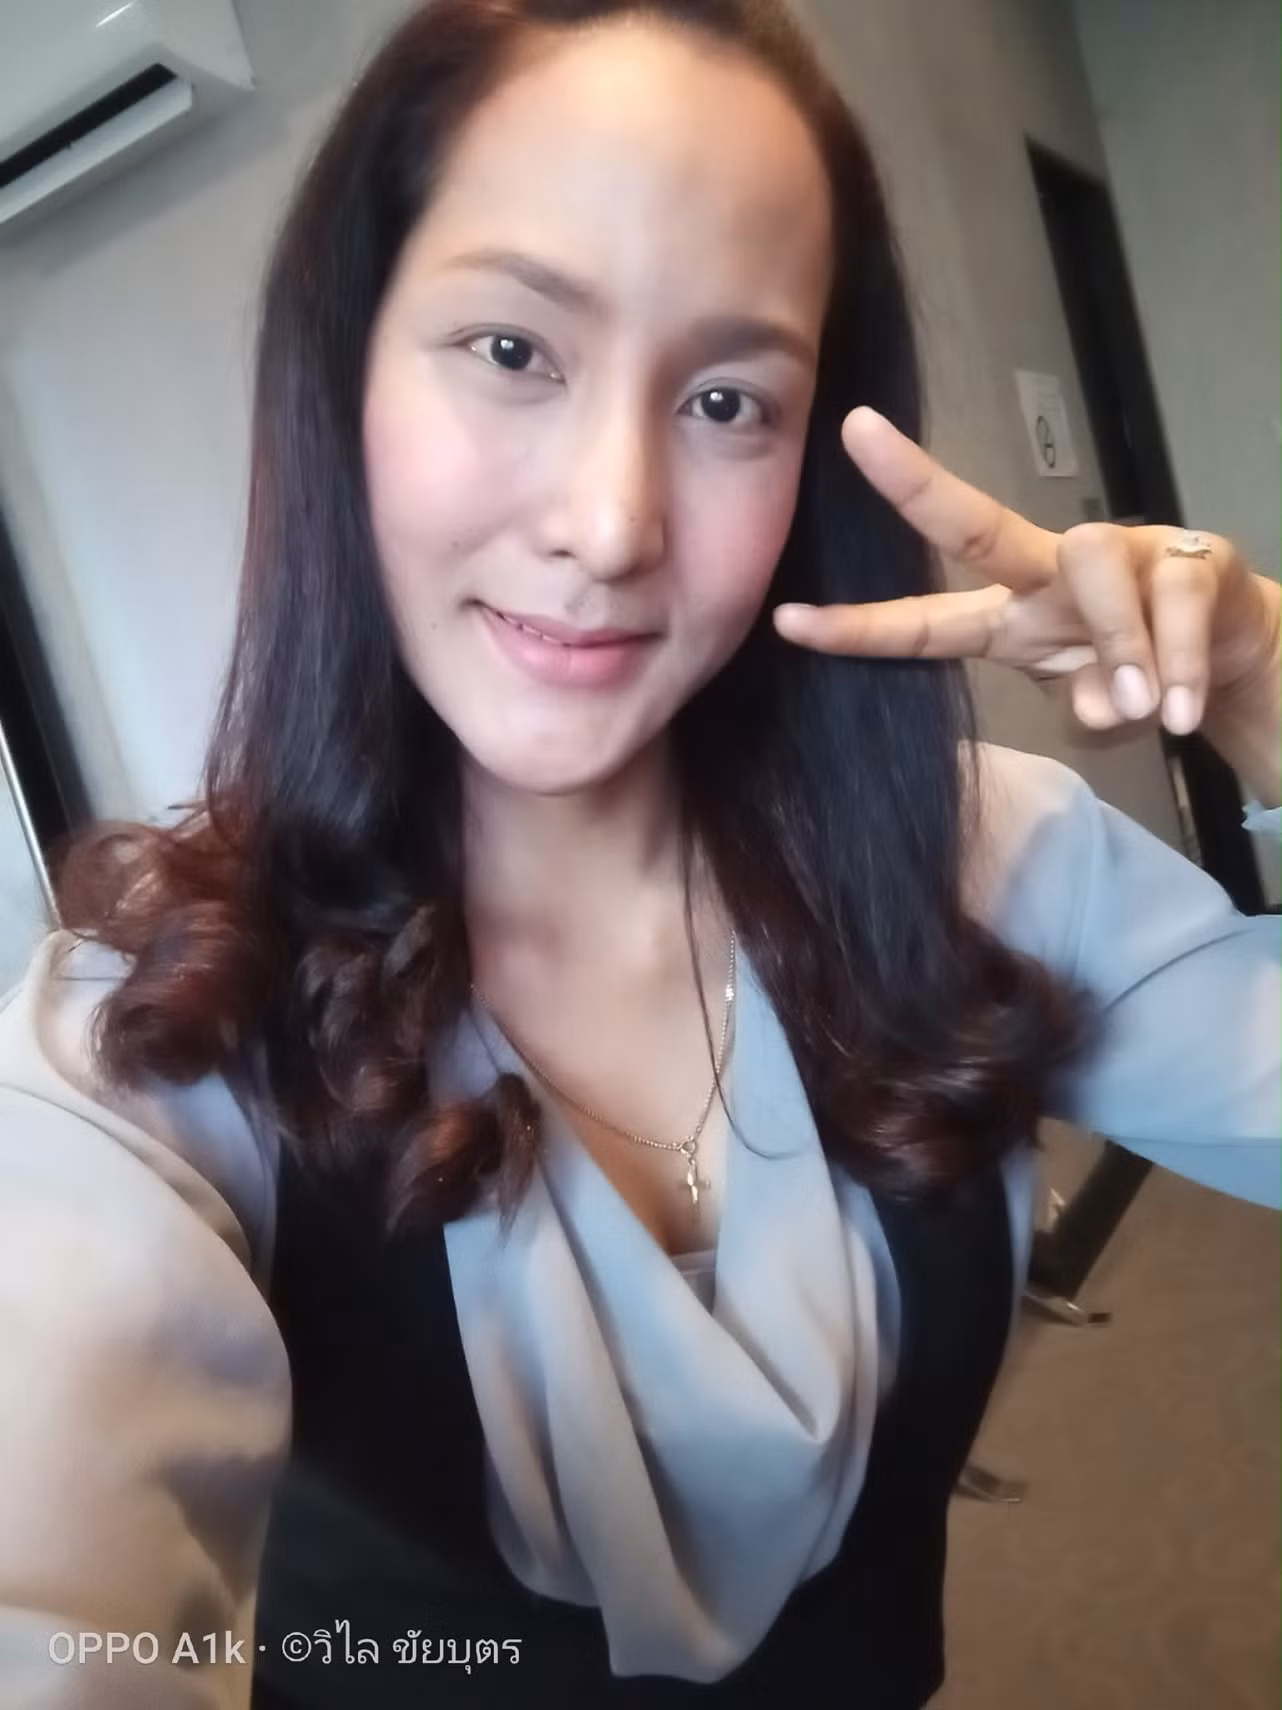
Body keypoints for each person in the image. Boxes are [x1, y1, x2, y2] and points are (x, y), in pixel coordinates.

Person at [0, 1, 1278, 1705]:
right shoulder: (155, 1036)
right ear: (344, 377)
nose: (610, 522)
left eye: (728, 398)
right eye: (512, 348)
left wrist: (1268, 692)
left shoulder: (984, 864)